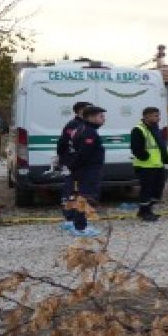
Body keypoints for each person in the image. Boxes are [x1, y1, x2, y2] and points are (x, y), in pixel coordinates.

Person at [60, 105, 107, 237]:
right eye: (101, 116)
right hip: (88, 171)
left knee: (79, 196)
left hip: (83, 170)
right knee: (84, 198)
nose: (104, 119)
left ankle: (76, 222)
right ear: (91, 117)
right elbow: (83, 154)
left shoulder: (82, 129)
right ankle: (80, 227)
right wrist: (74, 167)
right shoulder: (88, 132)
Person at [130, 106, 168, 222]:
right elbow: (136, 148)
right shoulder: (139, 129)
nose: (158, 118)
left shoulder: (155, 128)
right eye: (155, 116)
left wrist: (165, 160)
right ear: (146, 116)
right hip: (145, 166)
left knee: (157, 190)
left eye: (158, 115)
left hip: (157, 165)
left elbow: (160, 146)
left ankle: (147, 210)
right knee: (146, 190)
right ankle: (145, 213)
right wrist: (145, 156)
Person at [55, 101, 92, 230]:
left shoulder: (87, 125)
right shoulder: (73, 125)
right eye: (87, 110)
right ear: (79, 111)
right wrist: (64, 161)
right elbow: (63, 144)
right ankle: (69, 218)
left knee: (80, 192)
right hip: (71, 164)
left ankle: (79, 217)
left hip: (82, 165)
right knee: (70, 191)